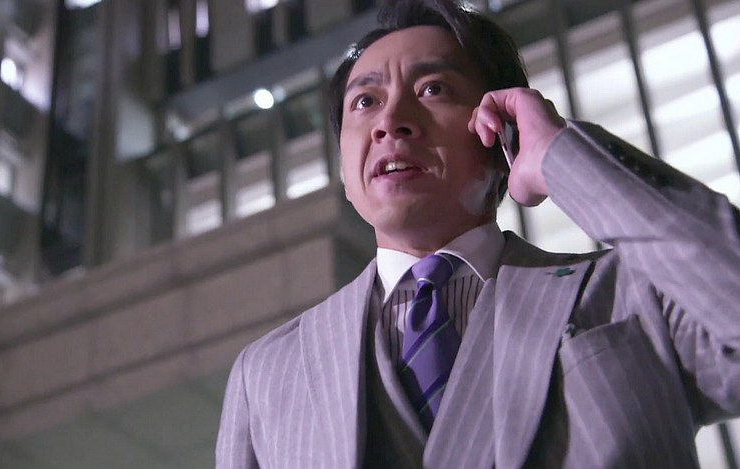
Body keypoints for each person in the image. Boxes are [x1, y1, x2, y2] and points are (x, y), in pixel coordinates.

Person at [216, 0, 740, 467]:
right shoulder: (266, 373)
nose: (390, 122)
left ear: (501, 132)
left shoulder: (631, 295)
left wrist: (560, 154)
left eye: (433, 89)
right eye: (365, 102)